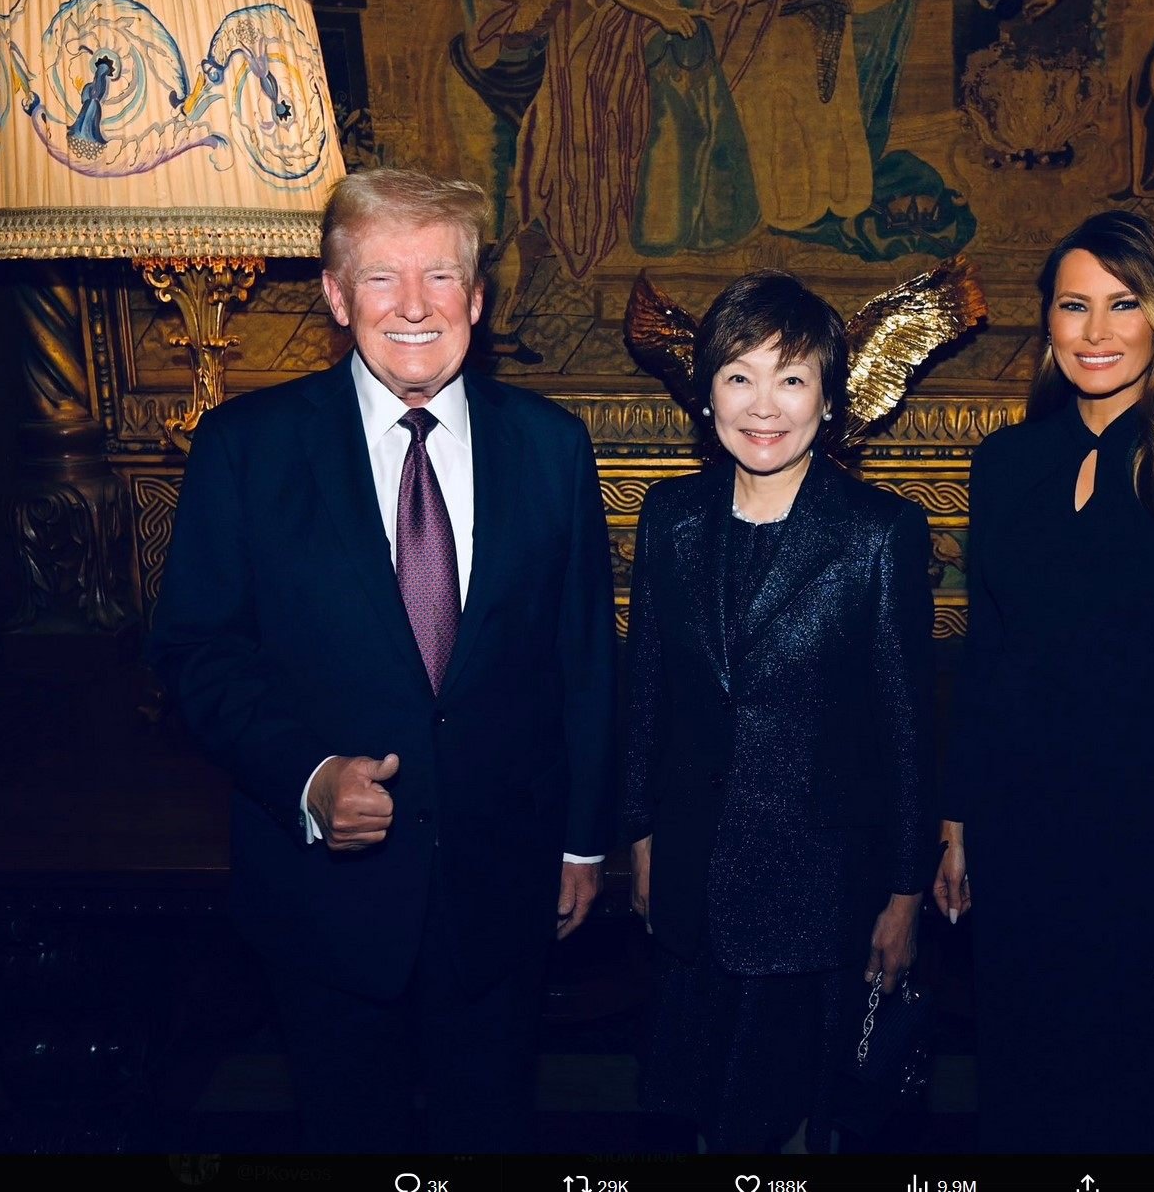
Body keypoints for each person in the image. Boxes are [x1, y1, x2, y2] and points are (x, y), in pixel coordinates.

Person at [146, 167, 617, 1153]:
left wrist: (581, 843)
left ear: (477, 299)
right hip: (324, 901)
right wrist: (307, 778)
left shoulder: (550, 446)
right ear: (333, 294)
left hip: (502, 894)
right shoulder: (247, 447)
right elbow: (199, 652)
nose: (413, 307)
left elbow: (581, 658)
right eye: (381, 279)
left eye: (440, 278)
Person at [934, 210, 1154, 1153]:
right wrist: (956, 822)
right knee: (1012, 1086)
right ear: (1044, 321)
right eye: (1072, 305)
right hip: (1015, 832)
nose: (1094, 331)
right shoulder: (1007, 462)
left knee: (1114, 1103)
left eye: (1122, 305)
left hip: (1143, 842)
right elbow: (986, 657)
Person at [621, 270, 937, 1153]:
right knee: (698, 1117)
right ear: (706, 394)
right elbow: (645, 686)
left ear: (829, 401)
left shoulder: (879, 534)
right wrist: (639, 836)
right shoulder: (669, 517)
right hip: (691, 876)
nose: (764, 405)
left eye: (791, 378)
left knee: (794, 1127)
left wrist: (906, 892)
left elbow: (908, 730)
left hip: (819, 893)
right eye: (739, 376)